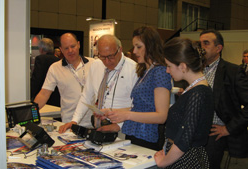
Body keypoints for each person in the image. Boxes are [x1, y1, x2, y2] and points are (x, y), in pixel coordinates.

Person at [97, 26, 172, 151]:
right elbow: (141, 107)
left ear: (151, 46)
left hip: (148, 136)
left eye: (139, 47)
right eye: (134, 47)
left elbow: (161, 116)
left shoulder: (160, 71)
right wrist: (113, 112)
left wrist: (127, 115)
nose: (135, 51)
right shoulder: (145, 70)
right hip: (135, 133)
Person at [154, 37, 214, 168]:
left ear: (182, 66)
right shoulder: (195, 89)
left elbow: (184, 140)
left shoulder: (198, 93)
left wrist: (164, 162)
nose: (167, 70)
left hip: (186, 159)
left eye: (169, 66)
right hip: (180, 156)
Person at [58, 34, 138, 133]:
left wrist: (118, 126)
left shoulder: (134, 70)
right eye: (102, 57)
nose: (107, 61)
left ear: (120, 50)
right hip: (100, 125)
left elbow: (138, 106)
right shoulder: (96, 65)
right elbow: (87, 96)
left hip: (125, 128)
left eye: (111, 56)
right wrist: (75, 120)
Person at [200, 29, 248, 169]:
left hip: (215, 135)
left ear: (218, 48)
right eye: (200, 43)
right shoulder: (194, 69)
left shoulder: (232, 71)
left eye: (206, 43)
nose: (202, 47)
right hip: (195, 132)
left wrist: (228, 128)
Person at [34, 33, 94, 123]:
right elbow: (44, 94)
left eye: (73, 46)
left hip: (94, 122)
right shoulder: (55, 68)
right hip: (69, 123)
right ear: (61, 49)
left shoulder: (94, 64)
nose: (70, 50)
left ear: (78, 44)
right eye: (66, 48)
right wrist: (31, 113)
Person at [31, 38, 60, 107]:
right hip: (55, 95)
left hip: (42, 94)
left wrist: (31, 94)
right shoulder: (58, 60)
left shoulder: (40, 59)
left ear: (41, 49)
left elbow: (37, 78)